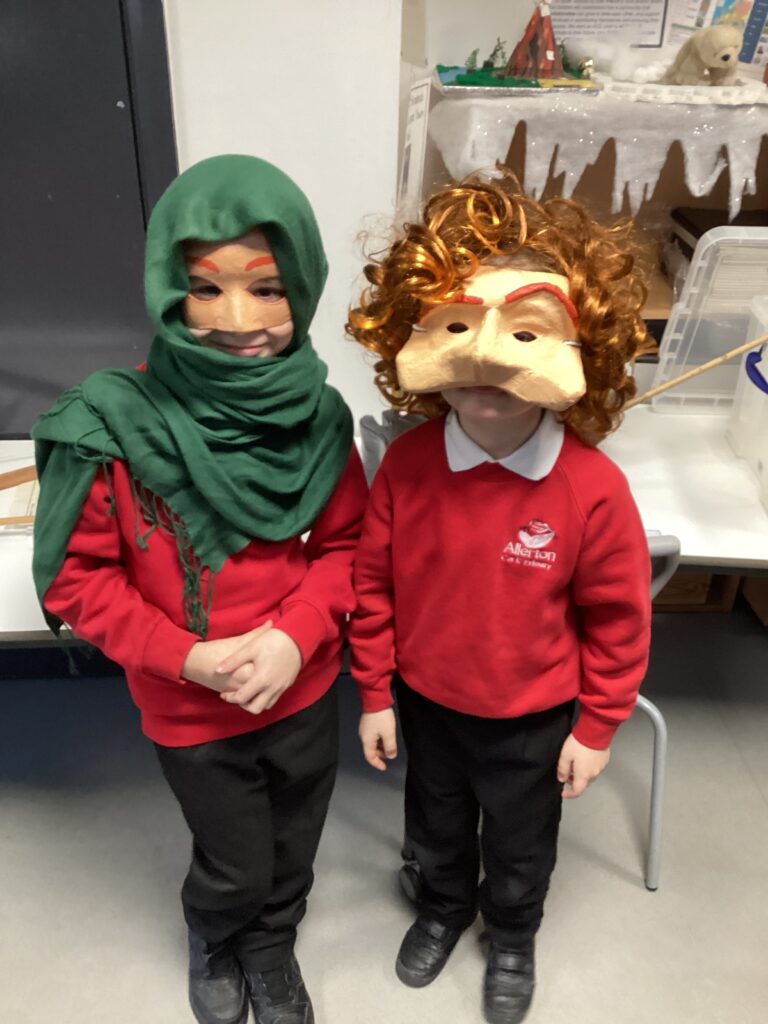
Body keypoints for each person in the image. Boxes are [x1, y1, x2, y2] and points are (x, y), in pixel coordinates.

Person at [32, 154, 368, 1024]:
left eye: (268, 287)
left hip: (303, 689)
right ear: (166, 289)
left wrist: (295, 634)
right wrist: (186, 657)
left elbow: (347, 547)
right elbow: (77, 579)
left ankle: (272, 944)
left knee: (294, 841)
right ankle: (216, 935)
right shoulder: (110, 425)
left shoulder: (319, 418)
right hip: (189, 703)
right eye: (205, 288)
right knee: (234, 859)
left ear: (304, 286)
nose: (238, 320)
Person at [346, 176, 653, 1024]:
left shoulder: (592, 488)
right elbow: (371, 585)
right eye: (459, 330)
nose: (488, 364)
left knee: (520, 845)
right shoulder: (407, 466)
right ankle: (444, 907)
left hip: (532, 717)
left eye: (523, 335)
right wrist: (374, 693)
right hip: (428, 702)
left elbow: (620, 620)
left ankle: (512, 936)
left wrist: (597, 727)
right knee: (436, 825)